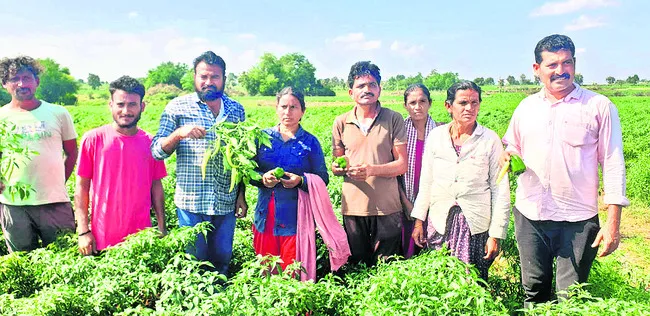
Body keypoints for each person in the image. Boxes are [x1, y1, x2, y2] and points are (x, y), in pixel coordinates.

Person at [501, 34, 629, 306]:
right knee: (533, 290)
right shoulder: (526, 107)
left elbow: (613, 163)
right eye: (552, 65)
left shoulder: (598, 106)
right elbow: (511, 143)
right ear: (537, 69)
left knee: (570, 297)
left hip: (578, 219)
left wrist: (612, 223)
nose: (561, 71)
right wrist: (509, 154)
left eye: (567, 62)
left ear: (575, 63)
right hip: (530, 214)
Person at [151, 51, 247, 276]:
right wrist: (178, 134)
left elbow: (242, 157)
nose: (208, 82)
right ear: (194, 77)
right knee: (194, 266)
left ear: (224, 78)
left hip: (225, 202)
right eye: (203, 77)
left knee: (222, 263)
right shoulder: (177, 108)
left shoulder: (236, 110)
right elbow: (156, 151)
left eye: (215, 77)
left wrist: (240, 194)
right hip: (191, 203)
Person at [411, 81, 510, 281]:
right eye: (463, 102)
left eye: (475, 102)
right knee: (439, 281)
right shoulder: (436, 137)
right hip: (440, 222)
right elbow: (427, 182)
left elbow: (500, 188)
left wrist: (495, 234)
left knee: (472, 282)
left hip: (474, 225)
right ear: (449, 106)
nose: (469, 108)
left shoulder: (489, 139)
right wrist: (418, 222)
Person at [75, 76, 167, 255]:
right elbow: (81, 187)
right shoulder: (93, 139)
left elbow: (157, 186)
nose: (126, 110)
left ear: (142, 106)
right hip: (100, 239)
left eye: (132, 104)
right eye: (120, 104)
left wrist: (162, 227)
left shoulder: (151, 143)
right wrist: (83, 231)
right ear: (111, 105)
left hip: (142, 240)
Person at [331, 61, 408, 267]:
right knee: (357, 265)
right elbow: (336, 163)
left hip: (387, 208)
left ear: (379, 89)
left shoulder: (393, 119)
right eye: (361, 86)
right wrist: (338, 168)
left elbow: (401, 165)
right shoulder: (341, 122)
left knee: (388, 266)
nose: (367, 90)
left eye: (372, 85)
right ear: (350, 92)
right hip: (353, 208)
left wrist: (371, 170)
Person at [0, 56, 78, 252]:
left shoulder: (58, 113)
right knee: (21, 260)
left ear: (37, 81)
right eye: (14, 78)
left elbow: (71, 152)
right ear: (4, 84)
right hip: (13, 204)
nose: (21, 83)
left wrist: (60, 181)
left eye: (27, 78)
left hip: (54, 201)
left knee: (63, 256)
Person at [251, 87, 330, 272]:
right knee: (266, 269)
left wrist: (301, 181)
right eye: (284, 106)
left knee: (291, 270)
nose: (288, 112)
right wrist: (263, 179)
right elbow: (249, 173)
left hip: (296, 217)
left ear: (303, 111)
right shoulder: (262, 138)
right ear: (276, 108)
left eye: (294, 107)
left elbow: (323, 177)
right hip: (266, 214)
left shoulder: (310, 142)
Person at [400, 83, 439, 259]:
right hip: (405, 202)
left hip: (435, 203)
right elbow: (395, 174)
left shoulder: (440, 132)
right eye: (412, 102)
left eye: (422, 101)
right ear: (405, 106)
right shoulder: (399, 132)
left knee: (432, 250)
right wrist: (406, 203)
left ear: (430, 103)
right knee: (406, 252)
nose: (418, 107)